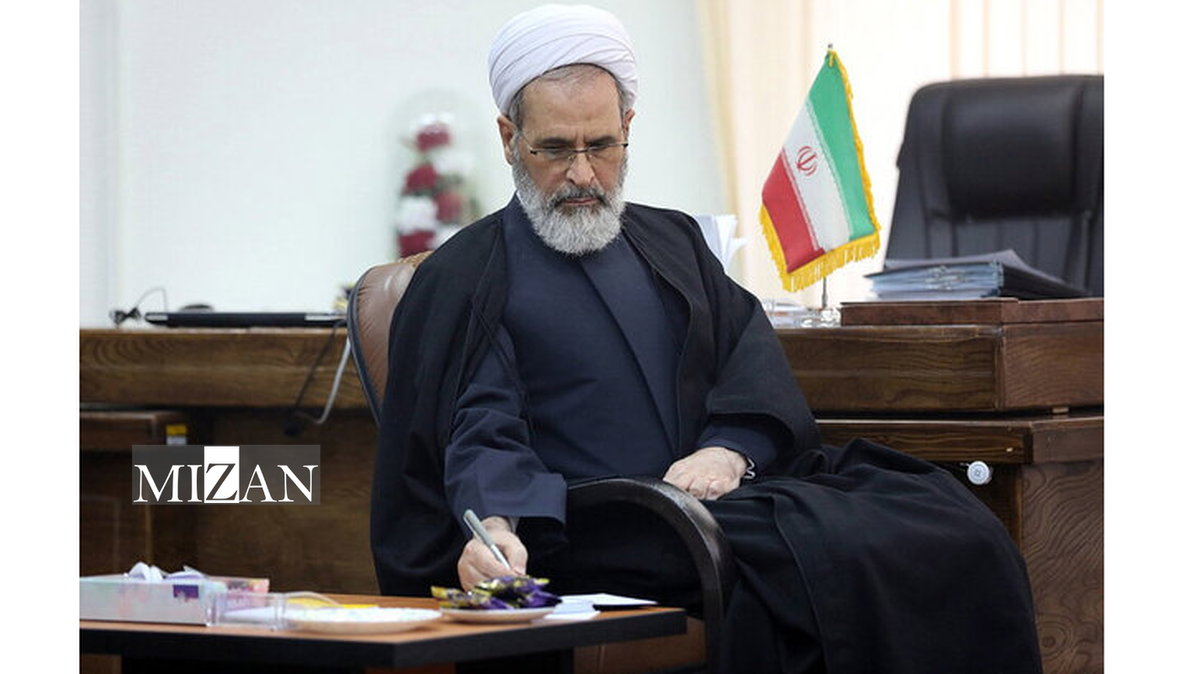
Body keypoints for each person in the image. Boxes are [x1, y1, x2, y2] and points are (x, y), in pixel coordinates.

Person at [372, 5, 1042, 673]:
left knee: (949, 520)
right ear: (509, 137)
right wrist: (496, 527)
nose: (582, 174)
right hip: (594, 529)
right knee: (830, 560)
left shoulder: (673, 241)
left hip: (723, 503)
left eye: (601, 145)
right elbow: (479, 425)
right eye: (554, 149)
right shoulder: (469, 276)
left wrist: (728, 450)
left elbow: (748, 360)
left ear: (627, 127)